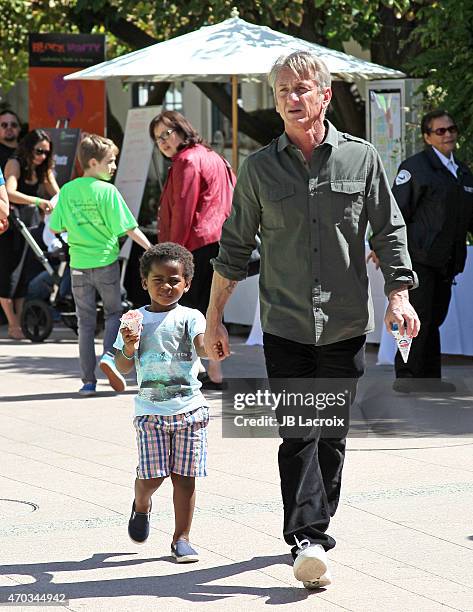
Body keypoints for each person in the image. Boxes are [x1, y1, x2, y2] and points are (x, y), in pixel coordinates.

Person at [203, 51, 420, 589]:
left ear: (324, 95)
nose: (292, 99)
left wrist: (399, 297)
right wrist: (214, 321)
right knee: (300, 431)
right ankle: (307, 535)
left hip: (346, 322)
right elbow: (233, 249)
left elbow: (388, 232)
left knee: (333, 432)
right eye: (282, 92)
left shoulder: (361, 159)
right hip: (286, 324)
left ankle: (315, 525)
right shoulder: (258, 169)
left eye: (302, 89)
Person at [114, 243, 209, 562]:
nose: (167, 286)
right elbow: (123, 367)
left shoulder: (191, 317)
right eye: (158, 280)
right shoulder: (133, 319)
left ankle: (181, 538)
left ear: (187, 283)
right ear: (144, 282)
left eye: (174, 280)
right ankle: (141, 504)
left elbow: (202, 345)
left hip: (191, 411)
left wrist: (212, 347)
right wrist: (128, 346)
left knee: (185, 477)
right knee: (153, 476)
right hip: (150, 413)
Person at [49, 134, 152, 396]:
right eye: (110, 162)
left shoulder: (68, 190)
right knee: (113, 315)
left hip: (78, 266)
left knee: (84, 323)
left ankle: (87, 382)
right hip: (106, 263)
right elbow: (129, 228)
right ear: (93, 162)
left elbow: (56, 226)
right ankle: (109, 358)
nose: (113, 167)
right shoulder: (108, 191)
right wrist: (152, 249)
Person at [387, 110, 473, 393]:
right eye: (440, 131)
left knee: (434, 318)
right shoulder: (416, 168)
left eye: (451, 129)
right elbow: (396, 213)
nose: (447, 134)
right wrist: (384, 248)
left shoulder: (461, 172)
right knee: (414, 317)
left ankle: (429, 378)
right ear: (427, 137)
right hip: (418, 260)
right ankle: (407, 376)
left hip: (446, 262)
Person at [150, 110, 235, 390]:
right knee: (212, 310)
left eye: (166, 133)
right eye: (157, 138)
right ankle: (214, 371)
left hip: (196, 244)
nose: (162, 141)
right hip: (220, 242)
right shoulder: (214, 157)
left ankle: (191, 371)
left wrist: (169, 253)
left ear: (181, 129)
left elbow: (183, 211)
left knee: (188, 311)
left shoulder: (187, 160)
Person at [1, 129, 59, 339]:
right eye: (38, 151)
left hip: (31, 225)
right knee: (9, 274)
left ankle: (20, 320)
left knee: (24, 274)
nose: (42, 156)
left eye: (46, 152)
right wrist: (38, 201)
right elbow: (9, 192)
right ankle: (12, 322)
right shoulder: (15, 163)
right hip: (11, 223)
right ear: (28, 147)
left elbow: (56, 192)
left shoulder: (43, 167)